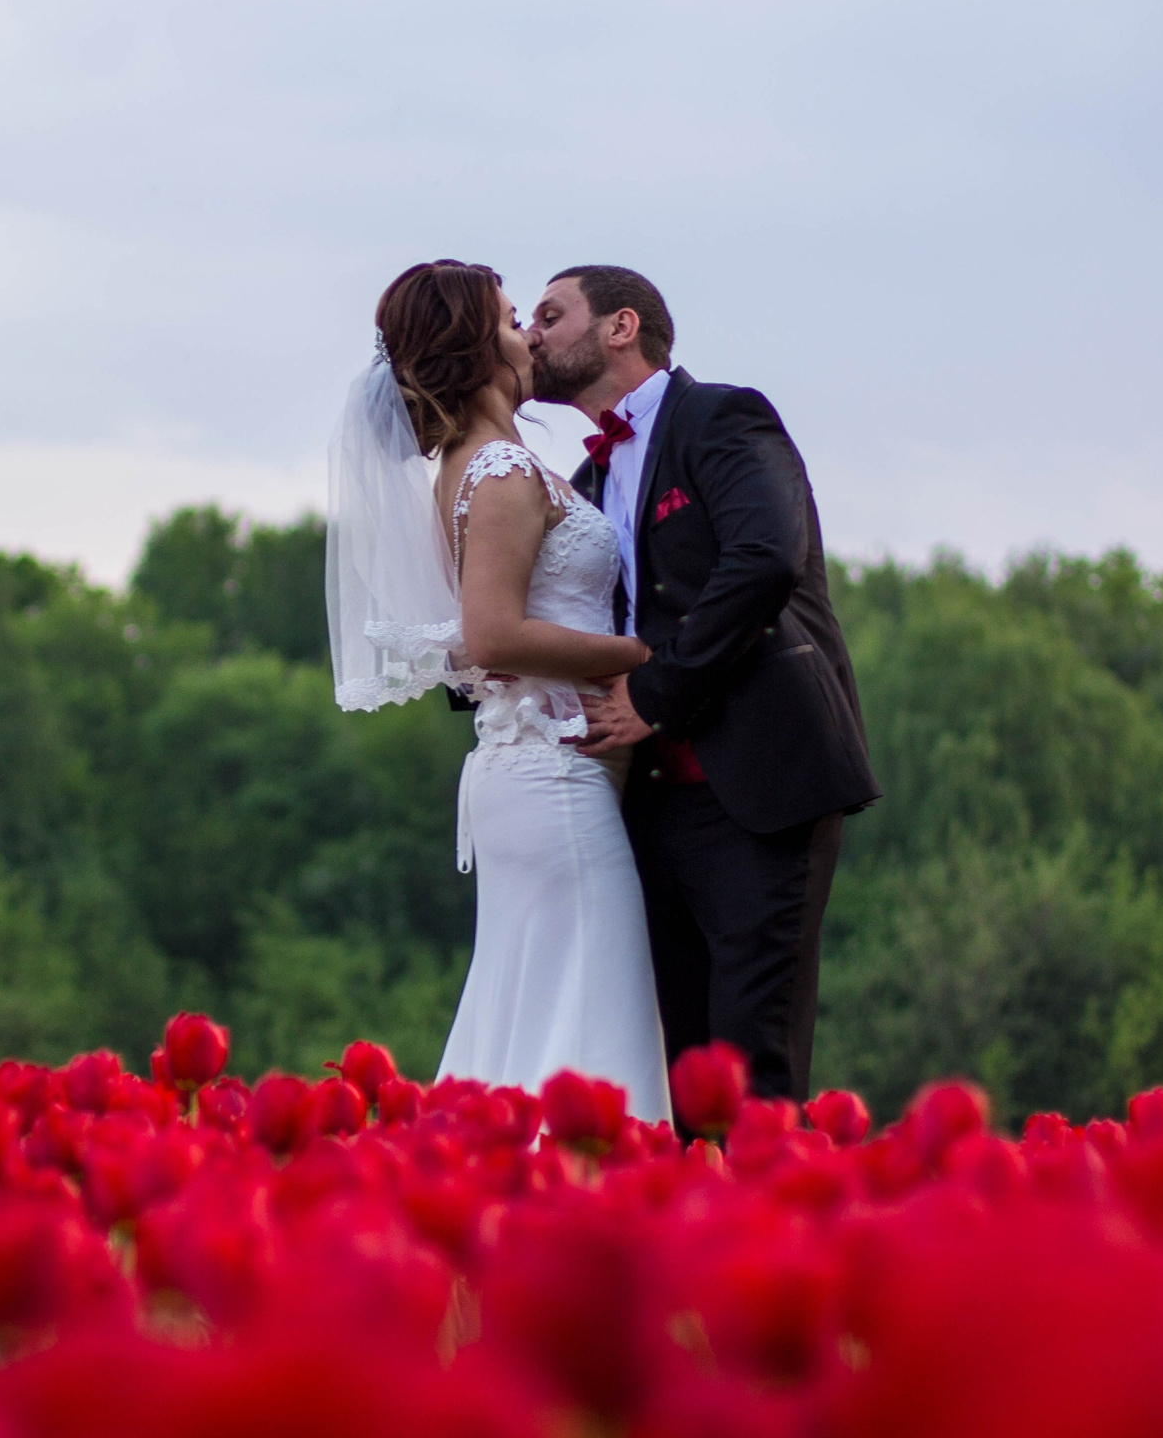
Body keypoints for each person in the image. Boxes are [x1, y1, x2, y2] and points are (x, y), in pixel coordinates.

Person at [326, 259, 671, 1121]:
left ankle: (492, 1195)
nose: (530, 336)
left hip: (532, 771)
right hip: (552, 780)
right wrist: (639, 654)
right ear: (477, 346)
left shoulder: (476, 465)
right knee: (594, 1022)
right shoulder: (501, 471)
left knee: (538, 1014)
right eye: (515, 319)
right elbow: (492, 634)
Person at [528, 264, 879, 1108]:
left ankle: (778, 1238)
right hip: (646, 807)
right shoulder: (582, 487)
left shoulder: (724, 417)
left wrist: (654, 695)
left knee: (754, 1066)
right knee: (683, 1077)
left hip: (759, 783)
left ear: (620, 326)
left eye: (550, 313)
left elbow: (764, 560)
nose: (532, 333)